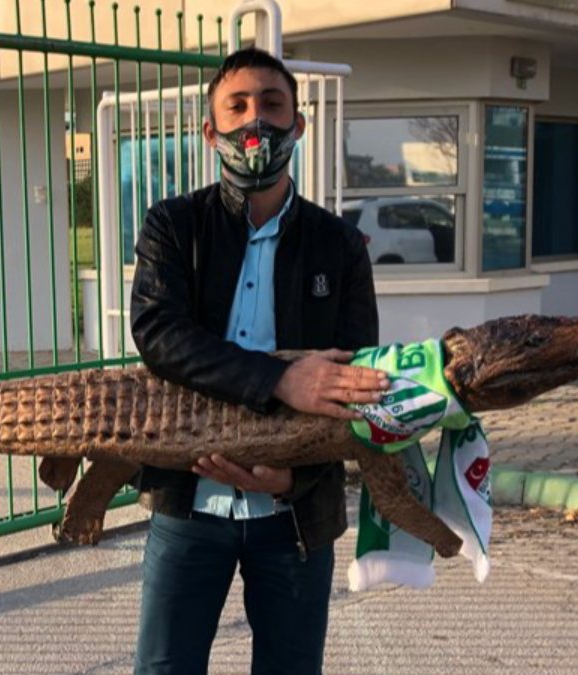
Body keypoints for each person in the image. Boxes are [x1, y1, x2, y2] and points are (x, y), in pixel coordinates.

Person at [128, 47, 387, 674]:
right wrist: (280, 379)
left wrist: (293, 480)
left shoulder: (340, 245)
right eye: (237, 106)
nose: (256, 122)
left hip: (294, 517)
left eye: (272, 105)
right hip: (188, 503)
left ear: (298, 125)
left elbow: (356, 380)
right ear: (210, 131)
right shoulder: (174, 226)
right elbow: (158, 333)